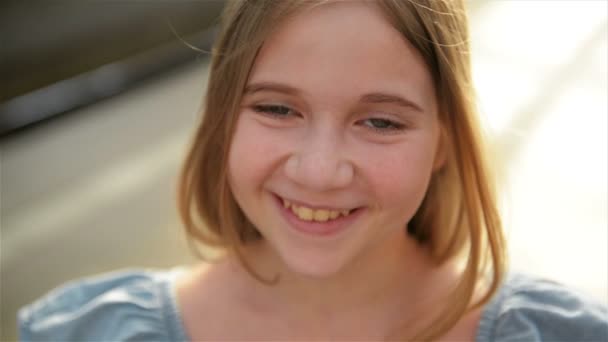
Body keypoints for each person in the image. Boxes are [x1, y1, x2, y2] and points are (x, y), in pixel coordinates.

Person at [18, 0, 607, 341]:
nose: (321, 171)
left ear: (446, 141)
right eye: (277, 108)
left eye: (380, 122)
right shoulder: (90, 333)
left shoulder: (560, 334)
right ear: (223, 118)